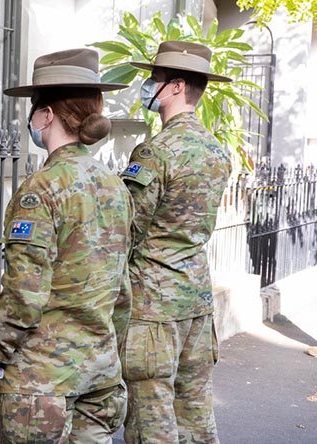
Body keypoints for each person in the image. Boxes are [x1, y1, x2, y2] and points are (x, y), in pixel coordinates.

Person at [0, 48, 133, 443]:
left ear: (45, 115)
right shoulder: (115, 185)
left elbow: (25, 295)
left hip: (43, 380)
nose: (30, 119)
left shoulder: (40, 190)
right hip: (101, 374)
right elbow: (122, 289)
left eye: (33, 110)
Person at [119, 41, 232, 443]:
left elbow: (127, 226)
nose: (149, 85)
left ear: (176, 86)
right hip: (197, 301)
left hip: (154, 308)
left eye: (156, 79)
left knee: (152, 422)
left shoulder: (156, 152)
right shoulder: (217, 151)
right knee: (196, 413)